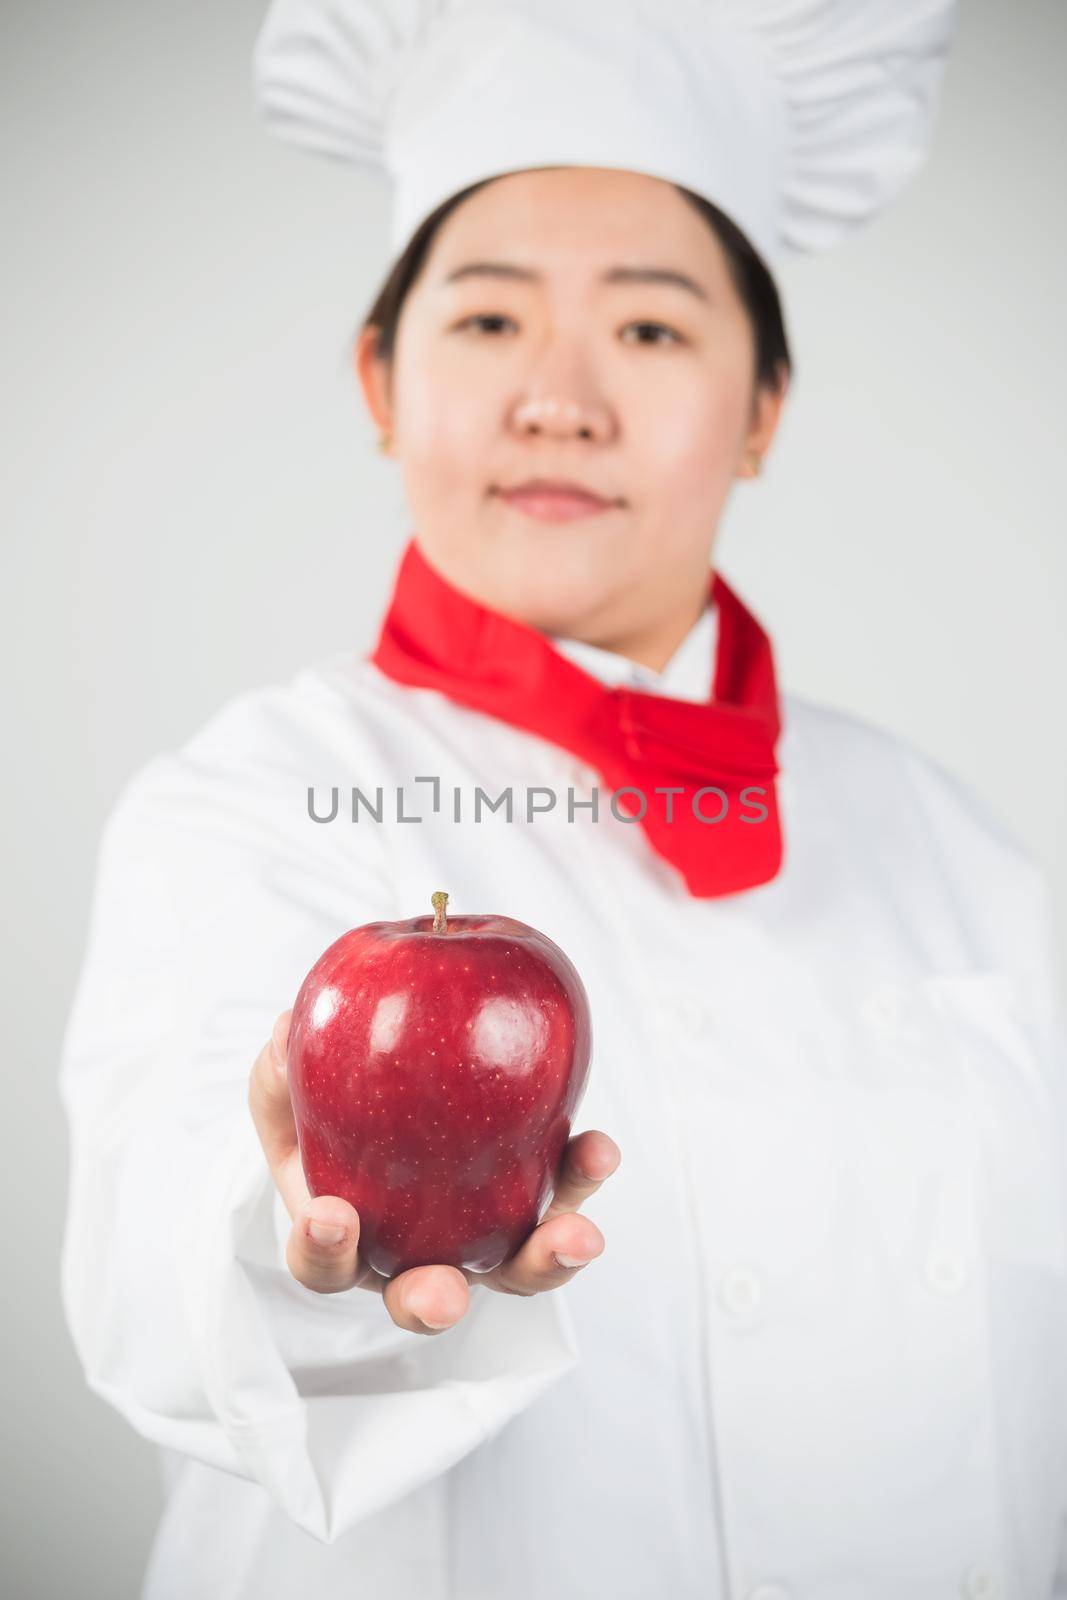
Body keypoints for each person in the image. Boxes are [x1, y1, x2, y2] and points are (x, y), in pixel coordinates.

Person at [58, 1, 1067, 1597]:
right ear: (380, 382)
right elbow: (159, 1233)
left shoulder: (955, 846)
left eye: (655, 330)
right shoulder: (251, 797)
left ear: (764, 413)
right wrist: (286, 1230)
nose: (559, 399)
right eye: (487, 323)